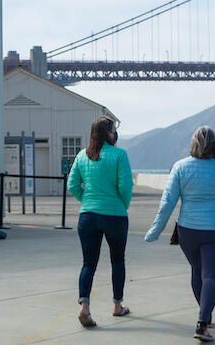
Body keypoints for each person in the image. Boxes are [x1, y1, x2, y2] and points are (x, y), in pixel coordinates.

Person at [145, 126, 215, 342]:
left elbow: (167, 203)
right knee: (210, 276)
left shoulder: (180, 167)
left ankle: (205, 313)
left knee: (197, 271)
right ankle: (202, 323)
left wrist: (155, 231)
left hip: (187, 231)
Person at [67, 116, 133, 328]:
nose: (116, 134)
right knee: (117, 261)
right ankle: (117, 306)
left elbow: (72, 185)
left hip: (87, 216)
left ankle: (84, 307)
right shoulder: (119, 155)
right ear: (108, 133)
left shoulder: (82, 156)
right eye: (113, 130)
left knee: (88, 263)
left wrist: (85, 200)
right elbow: (125, 186)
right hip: (114, 215)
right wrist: (122, 204)